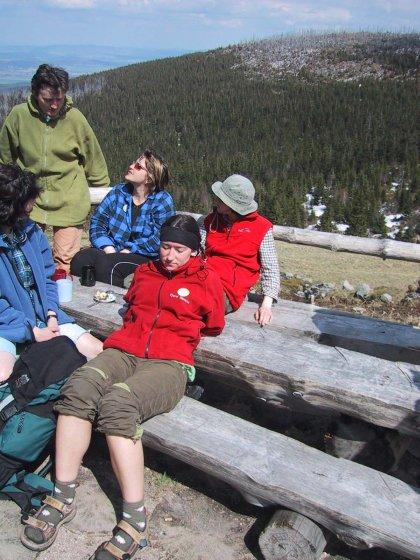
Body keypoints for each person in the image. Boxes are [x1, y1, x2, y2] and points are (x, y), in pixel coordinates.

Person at [20, 214, 225, 559]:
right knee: (80, 386)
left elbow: (214, 324)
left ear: (193, 251)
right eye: (165, 246)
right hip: (123, 350)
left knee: (119, 403)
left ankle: (135, 520)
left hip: (168, 363)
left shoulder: (207, 279)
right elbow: (132, 306)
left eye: (179, 250)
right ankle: (62, 494)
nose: (170, 255)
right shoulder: (145, 272)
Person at [0, 64, 109, 273]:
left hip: (69, 198)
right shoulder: (19, 116)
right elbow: (4, 158)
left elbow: (94, 159)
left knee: (64, 264)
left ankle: (61, 294)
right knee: (27, 256)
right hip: (29, 200)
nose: (54, 105)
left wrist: (102, 193)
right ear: (35, 93)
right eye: (48, 99)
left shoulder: (75, 118)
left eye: (59, 99)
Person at [0, 164, 103, 382]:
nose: (33, 206)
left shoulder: (30, 231)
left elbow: (47, 280)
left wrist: (52, 315)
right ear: (11, 206)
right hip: (8, 327)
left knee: (98, 352)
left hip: (43, 319)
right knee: (4, 374)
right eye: (28, 203)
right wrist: (31, 332)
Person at [70, 149, 175, 287]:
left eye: (138, 166)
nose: (131, 166)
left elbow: (160, 238)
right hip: (114, 250)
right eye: (133, 163)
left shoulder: (162, 201)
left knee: (109, 265)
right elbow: (98, 222)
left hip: (145, 256)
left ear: (149, 178)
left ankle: (114, 299)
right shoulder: (119, 192)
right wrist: (107, 247)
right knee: (80, 260)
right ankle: (86, 297)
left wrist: (131, 250)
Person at [202, 174, 280, 326]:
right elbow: (197, 250)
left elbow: (271, 268)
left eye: (221, 198)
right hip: (200, 277)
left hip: (227, 290)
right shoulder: (210, 220)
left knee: (192, 304)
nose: (216, 199)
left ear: (232, 205)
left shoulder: (262, 227)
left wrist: (266, 305)